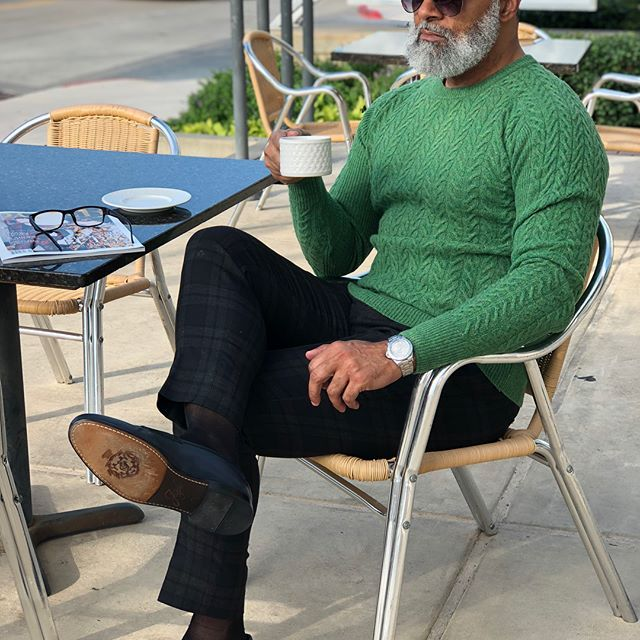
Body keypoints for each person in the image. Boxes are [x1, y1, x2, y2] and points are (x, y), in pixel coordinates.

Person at [68, 1, 608, 638]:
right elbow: (336, 253)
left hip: (461, 371)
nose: (426, 11)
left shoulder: (548, 118)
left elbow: (547, 288)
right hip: (364, 310)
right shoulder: (399, 107)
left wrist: (396, 353)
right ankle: (210, 477)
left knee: (220, 398)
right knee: (218, 251)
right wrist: (303, 182)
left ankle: (211, 595)